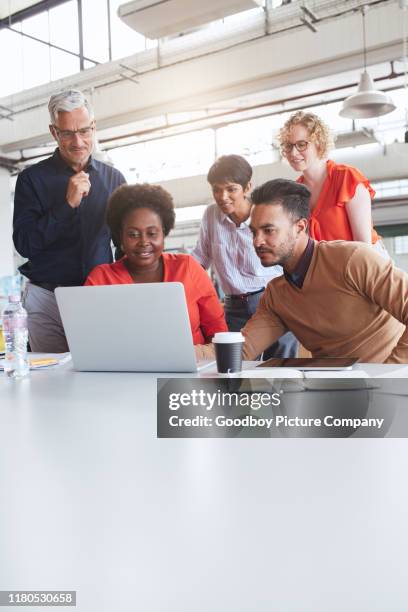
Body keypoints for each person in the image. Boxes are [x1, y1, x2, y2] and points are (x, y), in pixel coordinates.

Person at [236, 179, 406, 363]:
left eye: (268, 230)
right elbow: (242, 350)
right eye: (254, 232)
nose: (257, 241)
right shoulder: (276, 296)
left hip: (391, 381)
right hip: (337, 387)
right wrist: (199, 356)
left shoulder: (353, 259)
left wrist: (388, 374)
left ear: (300, 227)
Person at [13, 89, 126, 353]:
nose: (78, 141)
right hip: (47, 299)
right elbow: (25, 244)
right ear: (54, 133)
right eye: (67, 133)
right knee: (52, 385)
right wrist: (66, 206)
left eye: (84, 131)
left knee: (102, 375)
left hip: (98, 297)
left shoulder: (114, 180)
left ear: (94, 128)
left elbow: (123, 246)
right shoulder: (31, 180)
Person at [85, 184, 228, 347]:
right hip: (124, 369)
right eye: (133, 234)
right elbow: (89, 338)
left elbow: (218, 333)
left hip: (192, 367)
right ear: (120, 237)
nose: (144, 242)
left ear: (164, 233)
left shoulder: (188, 268)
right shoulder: (100, 279)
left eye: (152, 233)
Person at [191, 154, 298, 358]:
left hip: (272, 301)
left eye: (231, 189)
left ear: (247, 187)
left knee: (281, 367)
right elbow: (200, 258)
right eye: (216, 189)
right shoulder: (211, 215)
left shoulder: (268, 213)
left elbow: (289, 257)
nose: (223, 196)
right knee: (234, 369)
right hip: (234, 308)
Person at [278, 111, 387, 255]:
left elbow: (364, 248)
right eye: (288, 146)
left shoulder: (346, 178)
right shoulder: (293, 195)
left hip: (368, 265)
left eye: (302, 144)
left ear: (319, 144)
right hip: (331, 269)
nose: (293, 152)